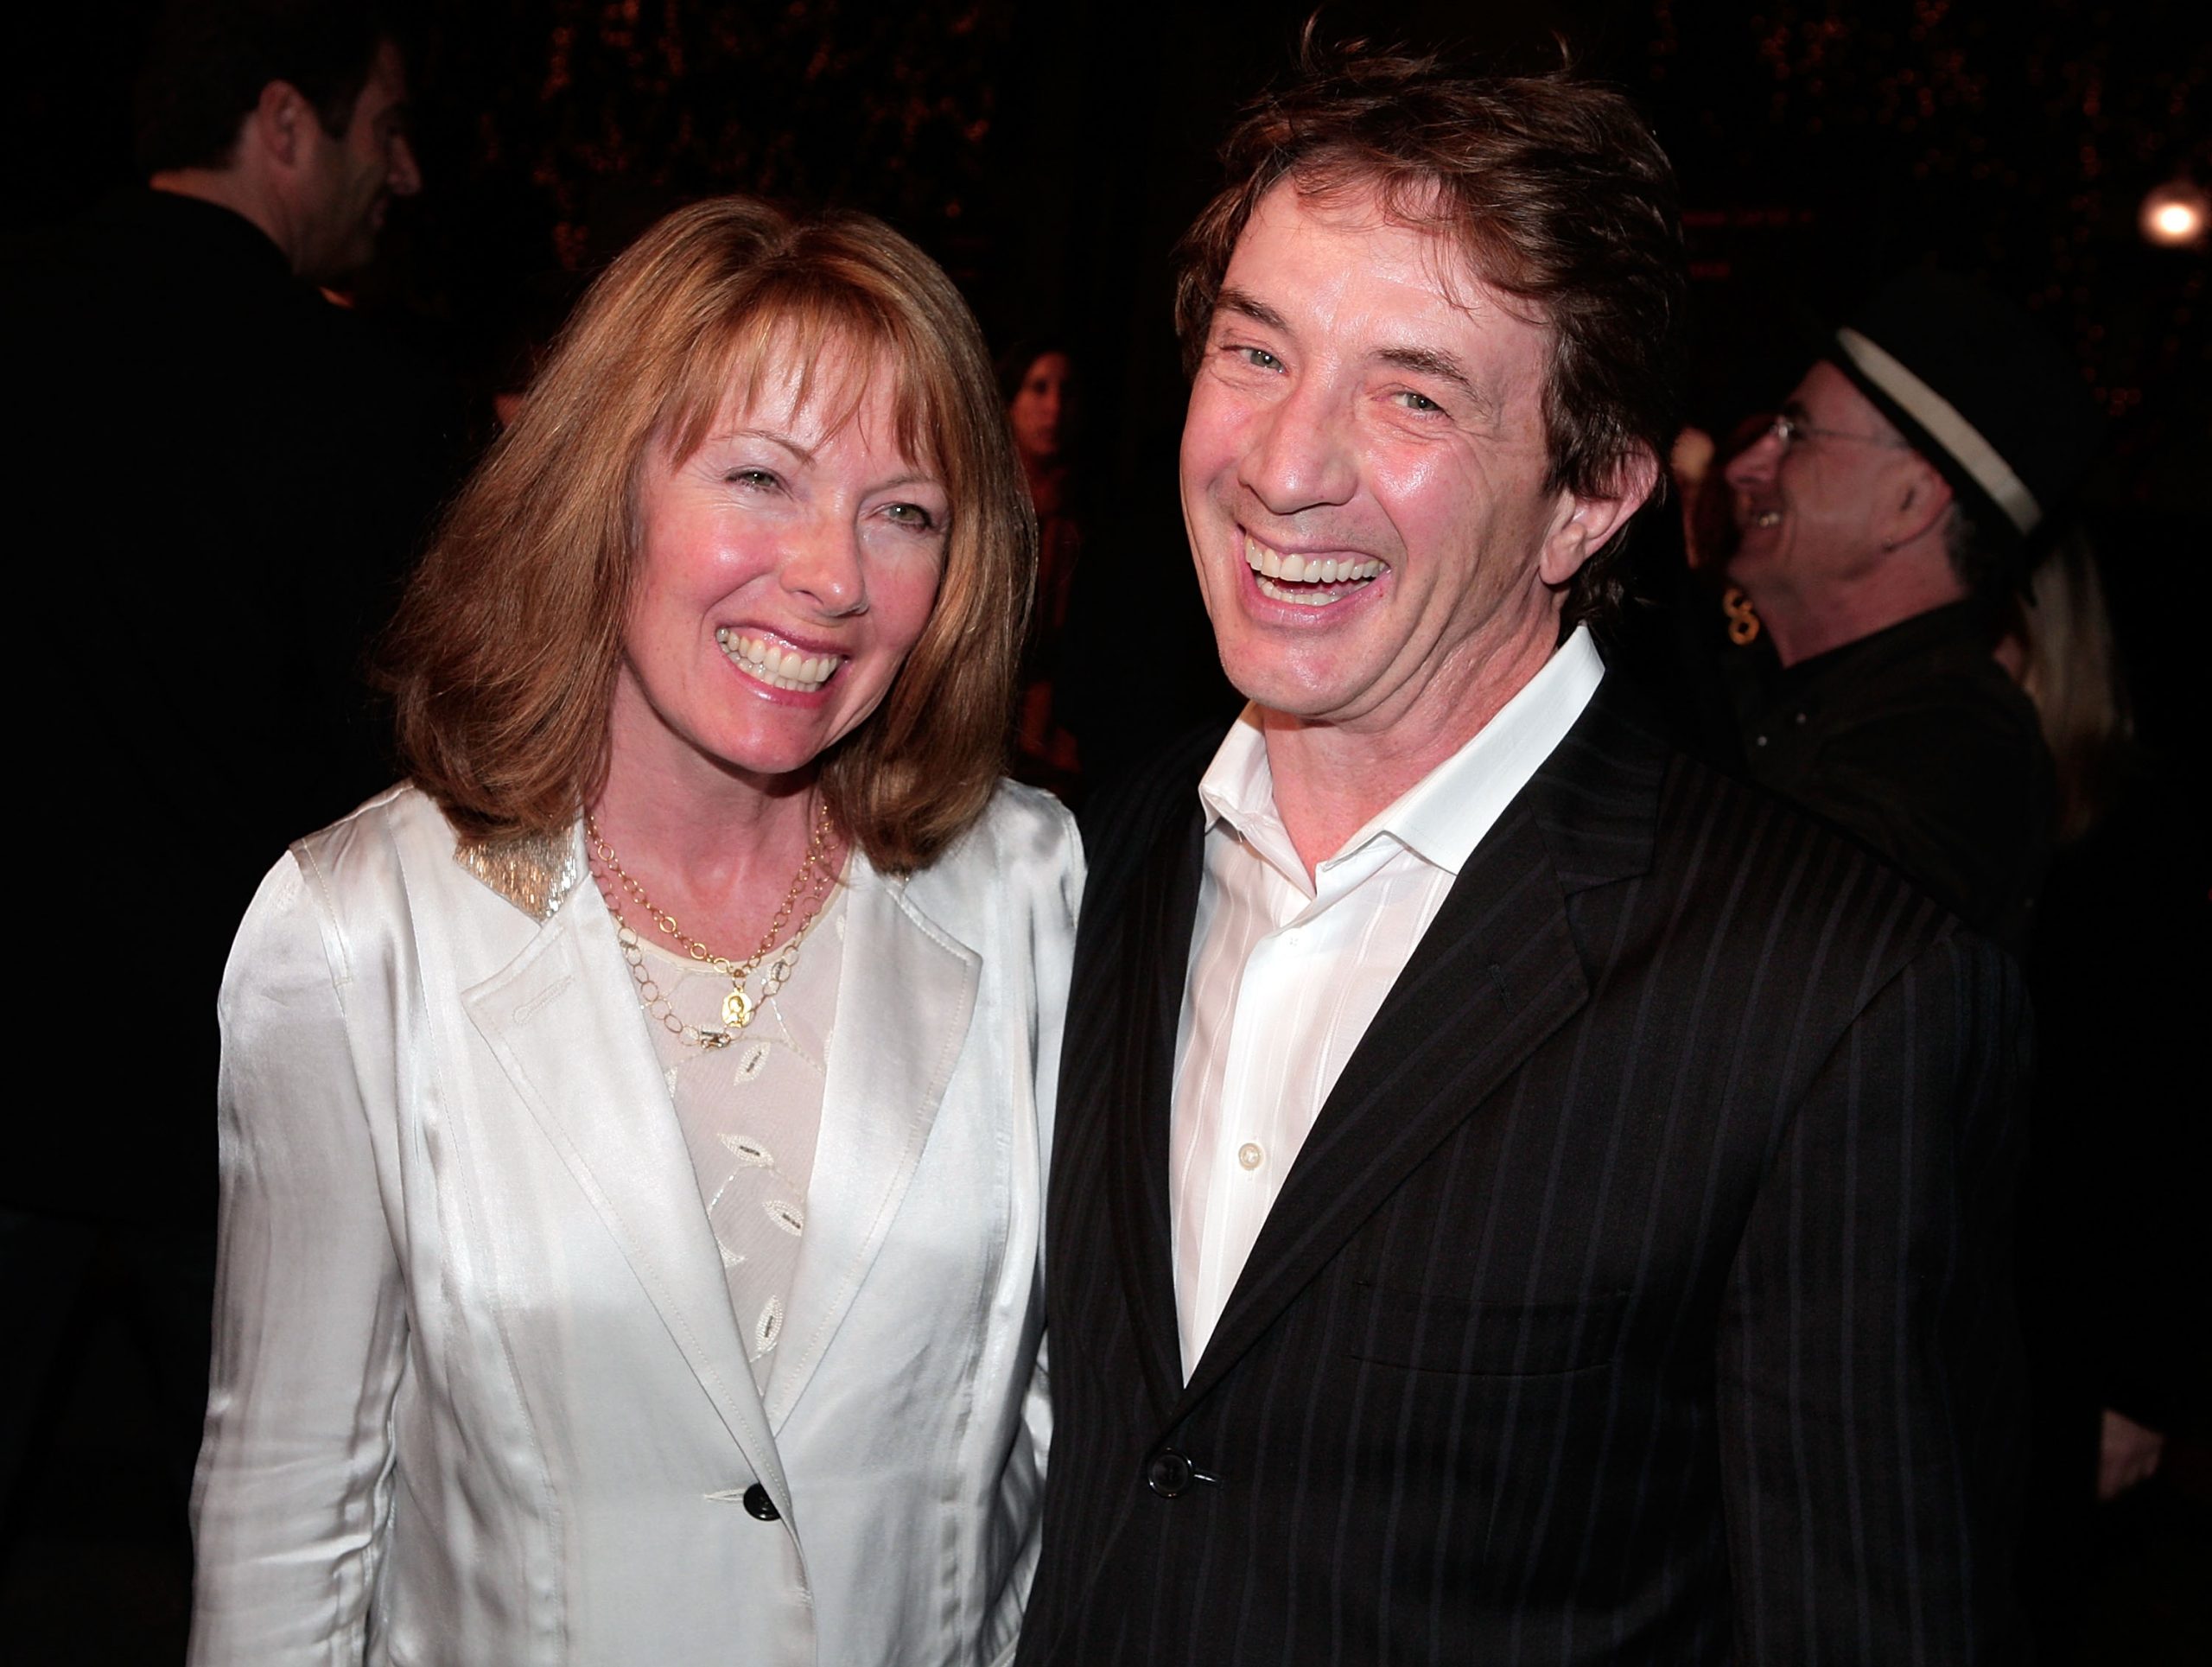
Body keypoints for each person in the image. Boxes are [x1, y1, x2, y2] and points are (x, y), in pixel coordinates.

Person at [1018, 41, 2028, 1664]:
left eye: (1413, 392)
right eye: (1256, 352)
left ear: (1591, 497)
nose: (1286, 464)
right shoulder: (1068, 874)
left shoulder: (1829, 996)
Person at [189, 196, 1079, 1664]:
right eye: (760, 475)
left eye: (903, 509)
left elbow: (1045, 1462)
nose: (835, 576)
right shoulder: (358, 932)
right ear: (606, 490)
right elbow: (289, 1523)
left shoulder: (1031, 890)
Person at [2, 0, 457, 1562]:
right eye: (383, 126)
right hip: (237, 1097)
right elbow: (400, 769)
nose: (403, 174)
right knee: (281, 1547)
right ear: (284, 122)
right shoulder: (358, 403)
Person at [1717, 272, 2105, 953]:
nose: (1744, 467)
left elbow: (1745, 943)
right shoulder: (1757, 675)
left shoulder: (1961, 754)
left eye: (1794, 433)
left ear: (1910, 503)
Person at [1001, 340, 1086, 790]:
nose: (1053, 406)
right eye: (1038, 388)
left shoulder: (1084, 508)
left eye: (1066, 391)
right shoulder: (981, 505)